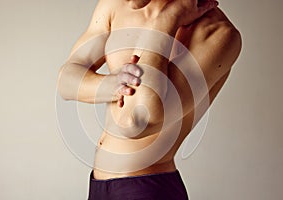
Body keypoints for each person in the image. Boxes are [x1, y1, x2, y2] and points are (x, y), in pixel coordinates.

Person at [57, 0, 242, 199]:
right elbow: (66, 82)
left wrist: (165, 22)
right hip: (98, 186)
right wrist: (114, 83)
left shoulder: (217, 33)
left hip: (147, 188)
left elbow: (137, 122)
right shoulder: (114, 5)